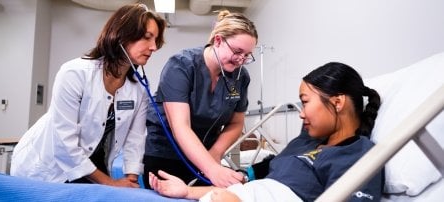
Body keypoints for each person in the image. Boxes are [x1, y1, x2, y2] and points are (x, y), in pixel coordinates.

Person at [148, 62, 384, 201]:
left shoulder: (359, 155)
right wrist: (187, 191)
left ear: (338, 102)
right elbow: (252, 188)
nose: (301, 114)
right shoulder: (304, 143)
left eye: (305, 102)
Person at [10, 3, 166, 188]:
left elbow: (136, 140)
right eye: (147, 38)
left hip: (91, 165)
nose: (154, 47)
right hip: (46, 166)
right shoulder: (75, 74)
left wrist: (131, 180)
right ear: (121, 36)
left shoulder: (138, 90)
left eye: (156, 40)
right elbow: (64, 143)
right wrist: (110, 183)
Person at [143, 10, 258, 189]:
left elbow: (236, 123)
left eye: (247, 55)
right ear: (218, 40)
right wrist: (212, 169)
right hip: (167, 153)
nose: (241, 60)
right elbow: (180, 126)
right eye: (237, 51)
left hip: (207, 153)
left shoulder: (240, 77)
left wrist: (214, 154)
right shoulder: (181, 66)